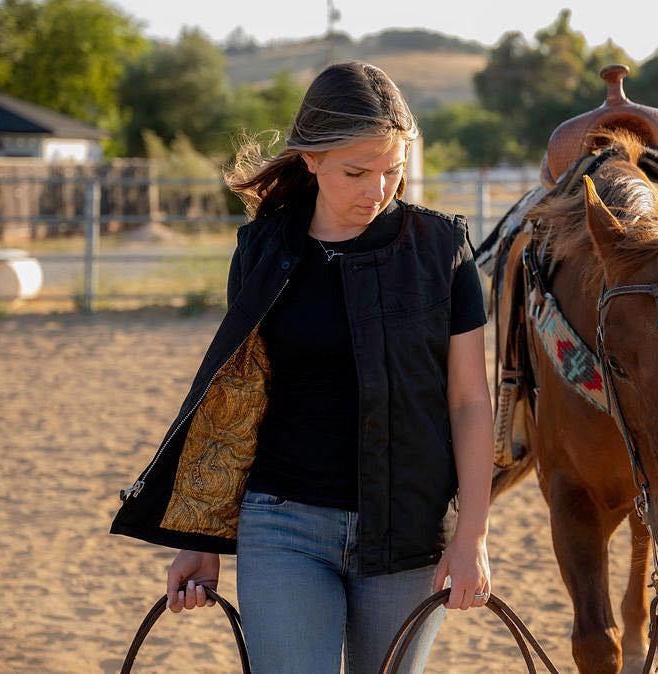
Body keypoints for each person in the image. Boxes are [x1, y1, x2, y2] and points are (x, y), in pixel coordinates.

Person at [109, 61, 494, 673]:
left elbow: (470, 401)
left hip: (411, 534)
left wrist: (472, 534)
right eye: (357, 172)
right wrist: (199, 541)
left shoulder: (442, 249)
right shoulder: (263, 249)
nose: (378, 190)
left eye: (393, 171)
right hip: (282, 526)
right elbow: (235, 397)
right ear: (310, 159)